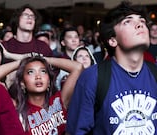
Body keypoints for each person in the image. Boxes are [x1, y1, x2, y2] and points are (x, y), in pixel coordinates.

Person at [66, 1, 157, 134]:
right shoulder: (93, 78)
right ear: (112, 40)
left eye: (142, 21)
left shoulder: (154, 73)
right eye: (127, 21)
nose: (140, 24)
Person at [0, 55, 83, 134]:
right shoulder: (17, 108)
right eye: (31, 72)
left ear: (49, 81)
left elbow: (78, 67)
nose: (38, 76)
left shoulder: (59, 100)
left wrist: (45, 59)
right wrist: (23, 61)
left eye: (43, 71)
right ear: (22, 83)